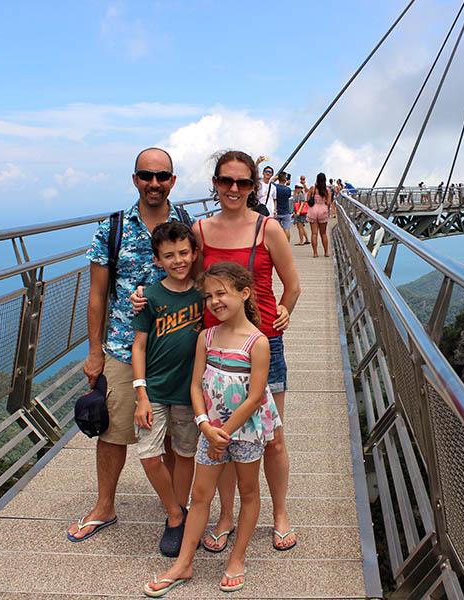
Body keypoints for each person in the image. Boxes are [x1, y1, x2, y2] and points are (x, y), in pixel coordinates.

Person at [68, 147, 186, 543]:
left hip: (177, 348)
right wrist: (94, 351)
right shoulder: (112, 229)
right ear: (135, 179)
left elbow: (198, 281)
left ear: (173, 180)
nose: (155, 183)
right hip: (122, 348)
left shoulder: (188, 225)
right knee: (114, 431)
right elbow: (96, 296)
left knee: (174, 434)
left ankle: (177, 506)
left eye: (162, 176)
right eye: (146, 175)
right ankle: (105, 506)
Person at [143, 262, 282, 597]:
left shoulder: (257, 342)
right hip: (210, 430)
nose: (215, 301)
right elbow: (195, 385)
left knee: (249, 491)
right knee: (200, 495)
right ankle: (184, 564)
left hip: (244, 432)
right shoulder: (206, 337)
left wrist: (225, 434)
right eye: (208, 296)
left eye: (222, 293)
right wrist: (205, 425)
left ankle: (237, 559)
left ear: (244, 293)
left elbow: (255, 396)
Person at [196, 150, 300, 554]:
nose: (233, 189)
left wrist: (285, 311)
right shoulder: (200, 230)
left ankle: (279, 514)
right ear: (216, 184)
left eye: (242, 182)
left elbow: (292, 284)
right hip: (216, 347)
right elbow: (183, 275)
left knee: (272, 437)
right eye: (226, 181)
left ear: (254, 186)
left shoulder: (268, 229)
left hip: (263, 344)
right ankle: (226, 515)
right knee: (221, 436)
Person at [131, 222, 202, 557]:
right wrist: (140, 394)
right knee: (149, 454)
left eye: (184, 253)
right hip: (155, 391)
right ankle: (174, 512)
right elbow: (140, 346)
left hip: (190, 392)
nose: (178, 260)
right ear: (157, 260)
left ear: (194, 253)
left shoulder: (204, 294)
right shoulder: (150, 296)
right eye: (169, 255)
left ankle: (181, 511)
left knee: (186, 453)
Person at [307, 172, 332, 258]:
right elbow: (328, 203)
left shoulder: (313, 188)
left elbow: (308, 199)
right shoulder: (327, 190)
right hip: (323, 211)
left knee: (314, 234)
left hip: (313, 210)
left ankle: (315, 253)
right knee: (323, 233)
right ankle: (326, 252)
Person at [273, 172, 293, 241]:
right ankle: (287, 244)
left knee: (277, 230)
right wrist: (287, 185)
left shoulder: (275, 187)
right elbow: (289, 196)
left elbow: (271, 182)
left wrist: (274, 178)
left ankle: (278, 245)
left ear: (278, 179)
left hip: (277, 211)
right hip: (286, 212)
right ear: (285, 180)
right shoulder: (288, 189)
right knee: (286, 229)